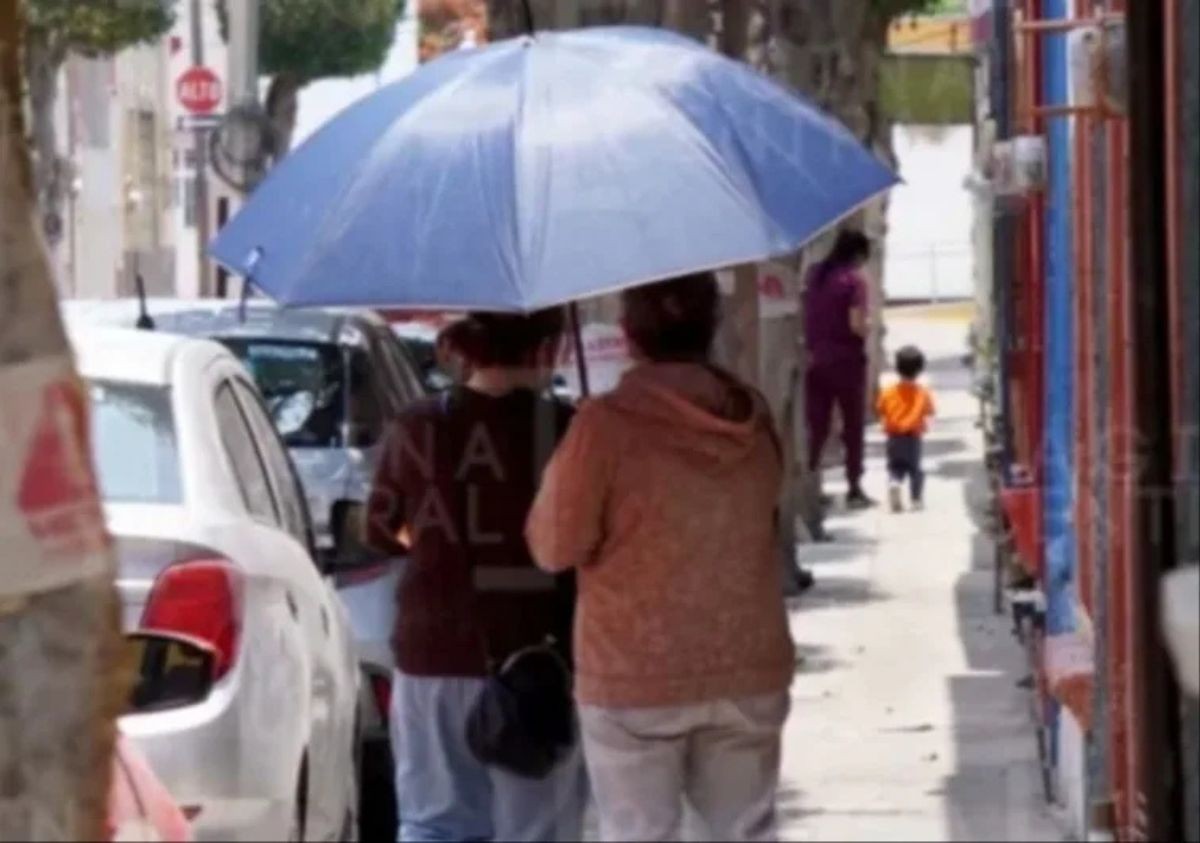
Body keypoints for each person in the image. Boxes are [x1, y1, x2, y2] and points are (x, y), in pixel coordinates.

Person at [526, 273, 794, 843]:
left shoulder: (603, 426)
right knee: (745, 832)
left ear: (627, 334)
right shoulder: (753, 418)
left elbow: (554, 546)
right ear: (711, 327)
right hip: (746, 658)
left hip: (633, 670)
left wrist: (572, 457)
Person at [365, 310, 587, 843]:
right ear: (545, 348)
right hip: (539, 661)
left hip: (433, 653)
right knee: (537, 830)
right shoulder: (567, 429)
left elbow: (381, 529)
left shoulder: (417, 426)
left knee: (434, 825)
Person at [803, 228, 875, 509]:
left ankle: (809, 486)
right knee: (852, 426)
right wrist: (867, 327)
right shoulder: (854, 281)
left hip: (816, 360)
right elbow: (857, 324)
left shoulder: (815, 275)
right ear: (858, 254)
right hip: (846, 361)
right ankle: (854, 488)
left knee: (816, 425)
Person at [876, 345, 935, 512]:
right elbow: (930, 411)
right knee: (915, 470)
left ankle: (894, 483)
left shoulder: (887, 392)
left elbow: (880, 408)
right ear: (919, 370)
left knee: (895, 467)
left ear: (897, 368)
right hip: (913, 437)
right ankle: (916, 499)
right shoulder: (922, 393)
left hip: (893, 438)